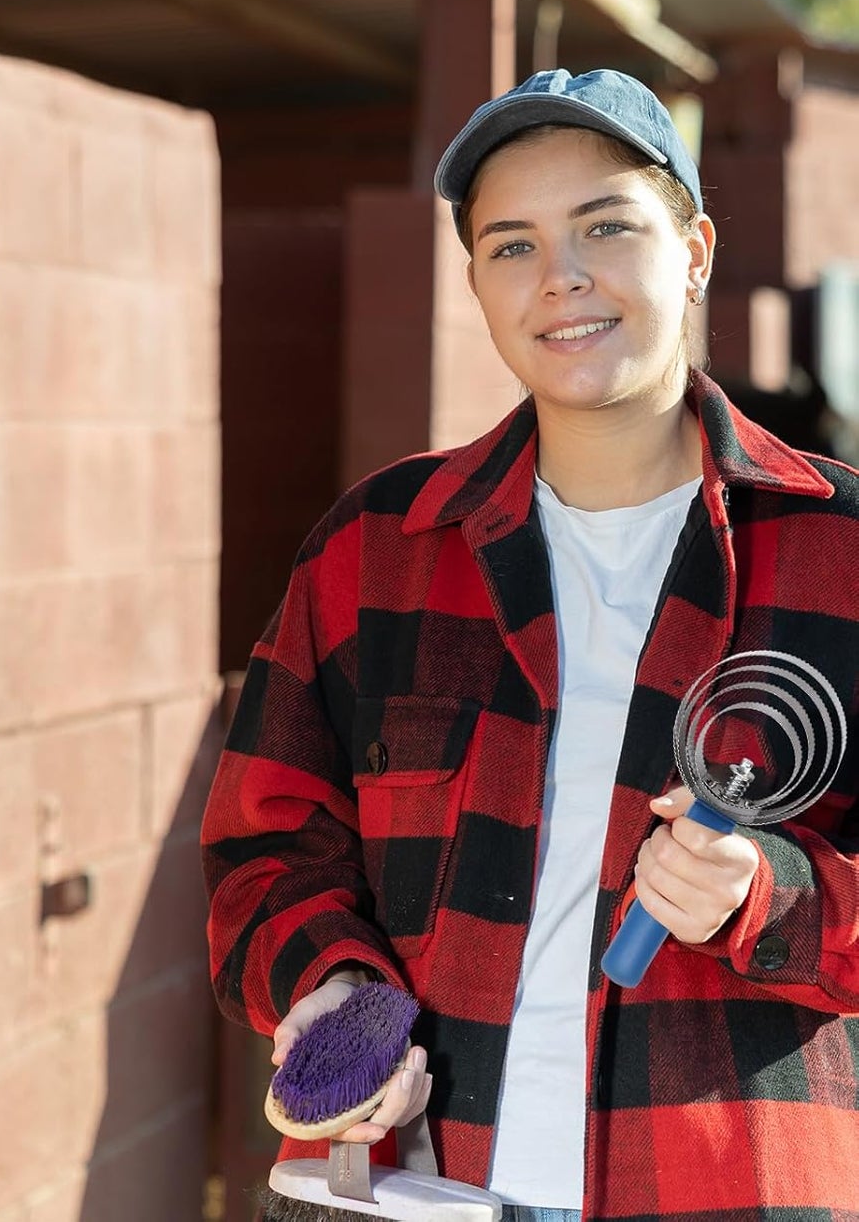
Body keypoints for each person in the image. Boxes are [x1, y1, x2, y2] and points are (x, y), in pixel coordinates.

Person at [202, 68, 859, 1221]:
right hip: (413, 1188)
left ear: (693, 248)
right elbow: (267, 846)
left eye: (604, 225)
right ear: (475, 284)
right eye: (509, 245)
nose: (559, 276)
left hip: (729, 1190)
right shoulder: (377, 546)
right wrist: (330, 987)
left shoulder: (841, 548)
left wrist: (768, 890)